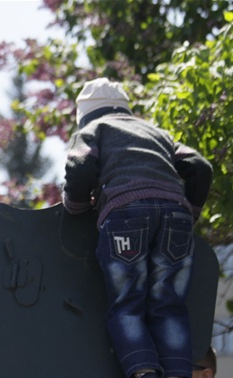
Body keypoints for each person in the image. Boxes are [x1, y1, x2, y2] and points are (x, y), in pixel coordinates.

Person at [62, 78, 213, 378]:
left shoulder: (96, 129)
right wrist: (189, 212)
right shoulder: (156, 132)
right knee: (169, 306)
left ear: (86, 115)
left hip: (126, 214)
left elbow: (80, 167)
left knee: (126, 305)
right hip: (176, 217)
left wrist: (75, 206)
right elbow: (200, 167)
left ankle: (143, 371)